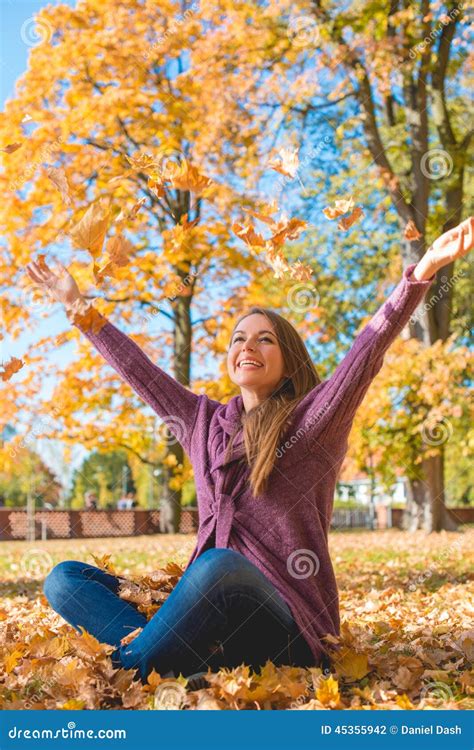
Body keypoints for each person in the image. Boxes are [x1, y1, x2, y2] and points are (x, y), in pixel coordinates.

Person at [27, 217, 473, 686]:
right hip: (214, 622)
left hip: (288, 630)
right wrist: (78, 306)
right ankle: (168, 662)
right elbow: (140, 371)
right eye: (239, 337)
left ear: (287, 361)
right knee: (65, 579)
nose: (247, 345)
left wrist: (422, 271)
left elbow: (367, 349)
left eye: (265, 338)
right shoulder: (201, 422)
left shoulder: (313, 421)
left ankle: (132, 670)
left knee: (219, 567)